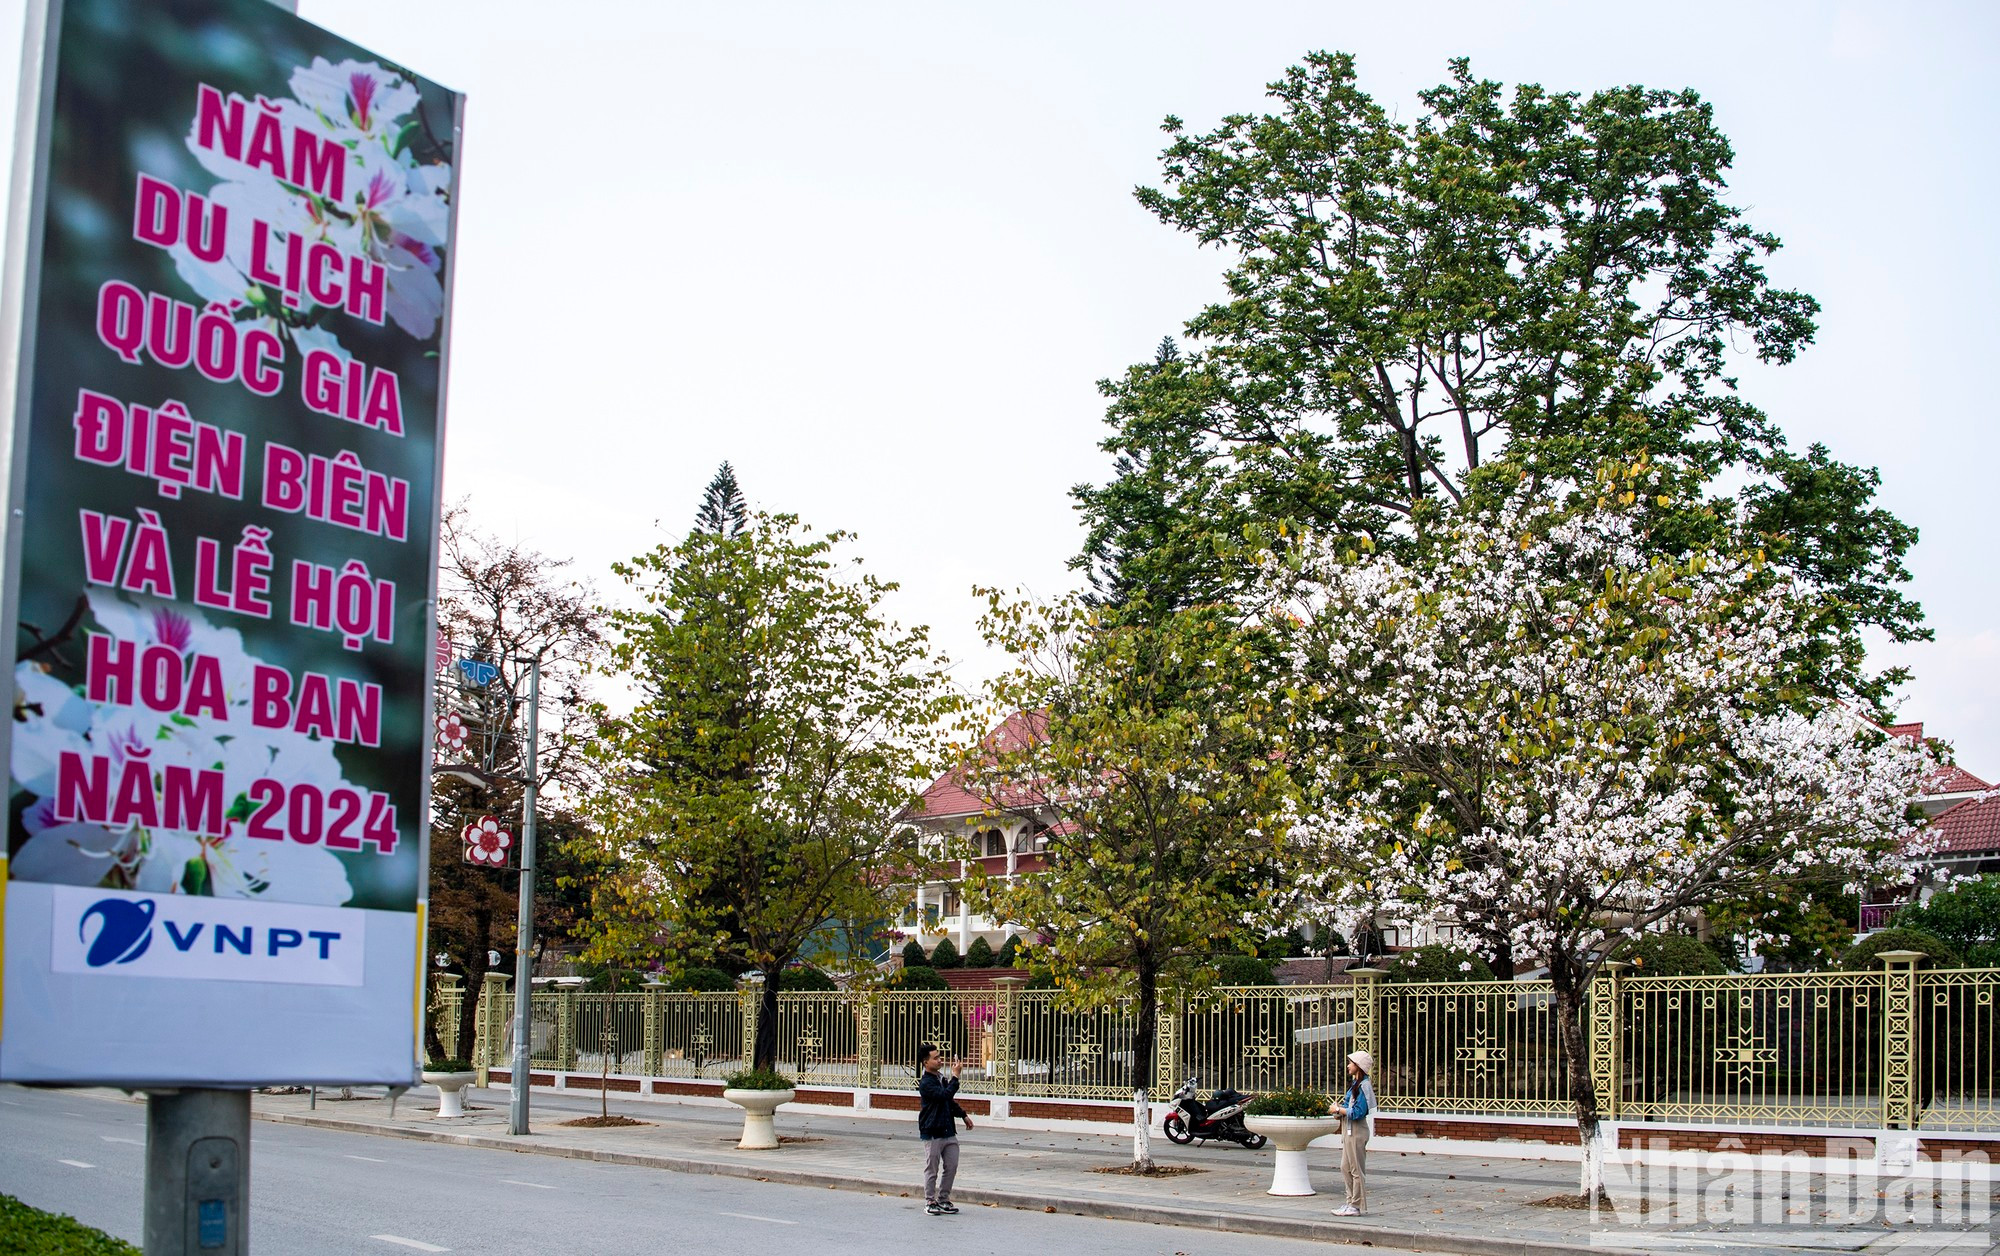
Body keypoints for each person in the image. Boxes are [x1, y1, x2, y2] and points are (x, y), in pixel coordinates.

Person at [917, 1041, 974, 1216]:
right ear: (926, 1062)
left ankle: (943, 1199)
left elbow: (949, 1102)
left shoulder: (940, 1079)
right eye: (936, 1058)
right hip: (932, 1131)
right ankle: (930, 1200)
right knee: (932, 1168)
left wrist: (963, 1115)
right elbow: (944, 1096)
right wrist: (956, 1077)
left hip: (948, 1131)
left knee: (952, 1165)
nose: (940, 1060)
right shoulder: (926, 1083)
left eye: (940, 1057)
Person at [1333, 1049, 1375, 1217]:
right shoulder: (1355, 1085)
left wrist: (1338, 1109)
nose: (1348, 1065)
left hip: (1357, 1131)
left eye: (1351, 1063)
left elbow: (1358, 1112)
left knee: (1356, 1169)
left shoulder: (1364, 1086)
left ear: (1358, 1066)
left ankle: (1356, 1205)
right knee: (1345, 1167)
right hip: (1348, 1129)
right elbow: (1347, 1106)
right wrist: (1338, 1111)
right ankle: (1350, 1201)